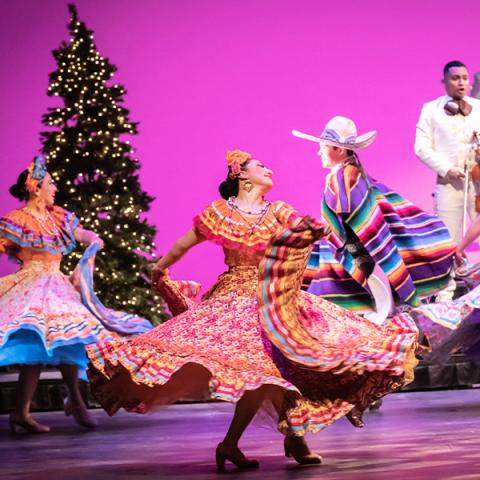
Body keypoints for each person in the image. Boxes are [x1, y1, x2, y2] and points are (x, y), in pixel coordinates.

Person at [86, 149, 418, 470]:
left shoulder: (278, 212)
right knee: (263, 372)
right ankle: (260, 441)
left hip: (274, 298)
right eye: (260, 165)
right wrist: (160, 269)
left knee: (289, 363)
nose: (268, 170)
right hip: (236, 297)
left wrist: (321, 231)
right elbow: (185, 243)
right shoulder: (219, 212)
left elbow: (311, 228)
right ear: (241, 174)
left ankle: (285, 436)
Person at [0, 155, 150, 434]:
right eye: (51, 183)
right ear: (35, 187)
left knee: (69, 337)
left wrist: (94, 241)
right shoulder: (17, 220)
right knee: (39, 345)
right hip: (32, 286)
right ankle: (30, 410)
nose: (55, 188)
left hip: (57, 285)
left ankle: (71, 402)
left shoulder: (57, 216)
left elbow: (82, 234)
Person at [292, 116, 455, 322]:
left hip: (345, 262)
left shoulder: (346, 177)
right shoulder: (349, 174)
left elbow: (362, 223)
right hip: (346, 259)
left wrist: (334, 238)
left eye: (324, 146)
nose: (319, 151)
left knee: (327, 315)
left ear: (339, 150)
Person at [415, 60, 480, 245]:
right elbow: (421, 147)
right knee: (447, 239)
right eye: (456, 78)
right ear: (444, 81)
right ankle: (451, 272)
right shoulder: (431, 109)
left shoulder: (478, 108)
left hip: (478, 182)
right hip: (449, 183)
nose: (461, 83)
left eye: (465, 78)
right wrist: (447, 169)